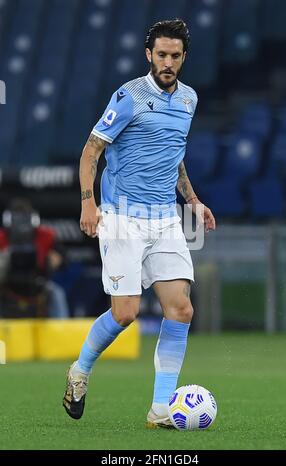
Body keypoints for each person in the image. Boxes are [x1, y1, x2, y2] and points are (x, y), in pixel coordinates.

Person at [63, 19, 216, 426]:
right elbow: (90, 151)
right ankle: (80, 370)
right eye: (161, 55)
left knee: (180, 309)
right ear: (149, 55)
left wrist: (193, 199)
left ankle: (161, 408)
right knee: (126, 313)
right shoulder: (128, 96)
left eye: (175, 56)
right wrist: (87, 204)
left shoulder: (189, 100)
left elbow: (173, 153)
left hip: (165, 217)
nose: (168, 62)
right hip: (121, 217)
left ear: (184, 58)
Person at [0, 199, 69, 318]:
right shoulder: (1, 238)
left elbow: (64, 259)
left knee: (57, 294)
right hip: (7, 285)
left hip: (38, 284)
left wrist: (57, 260)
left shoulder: (46, 236)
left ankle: (62, 331)